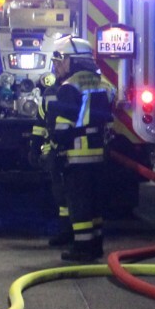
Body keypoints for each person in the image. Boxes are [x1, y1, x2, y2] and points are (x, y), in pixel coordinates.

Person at [36, 33, 114, 263]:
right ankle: (96, 245)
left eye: (60, 61)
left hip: (76, 155)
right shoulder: (103, 83)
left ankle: (82, 248)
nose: (57, 67)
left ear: (72, 60)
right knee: (94, 204)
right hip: (99, 154)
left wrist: (54, 148)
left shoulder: (69, 87)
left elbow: (63, 127)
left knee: (78, 204)